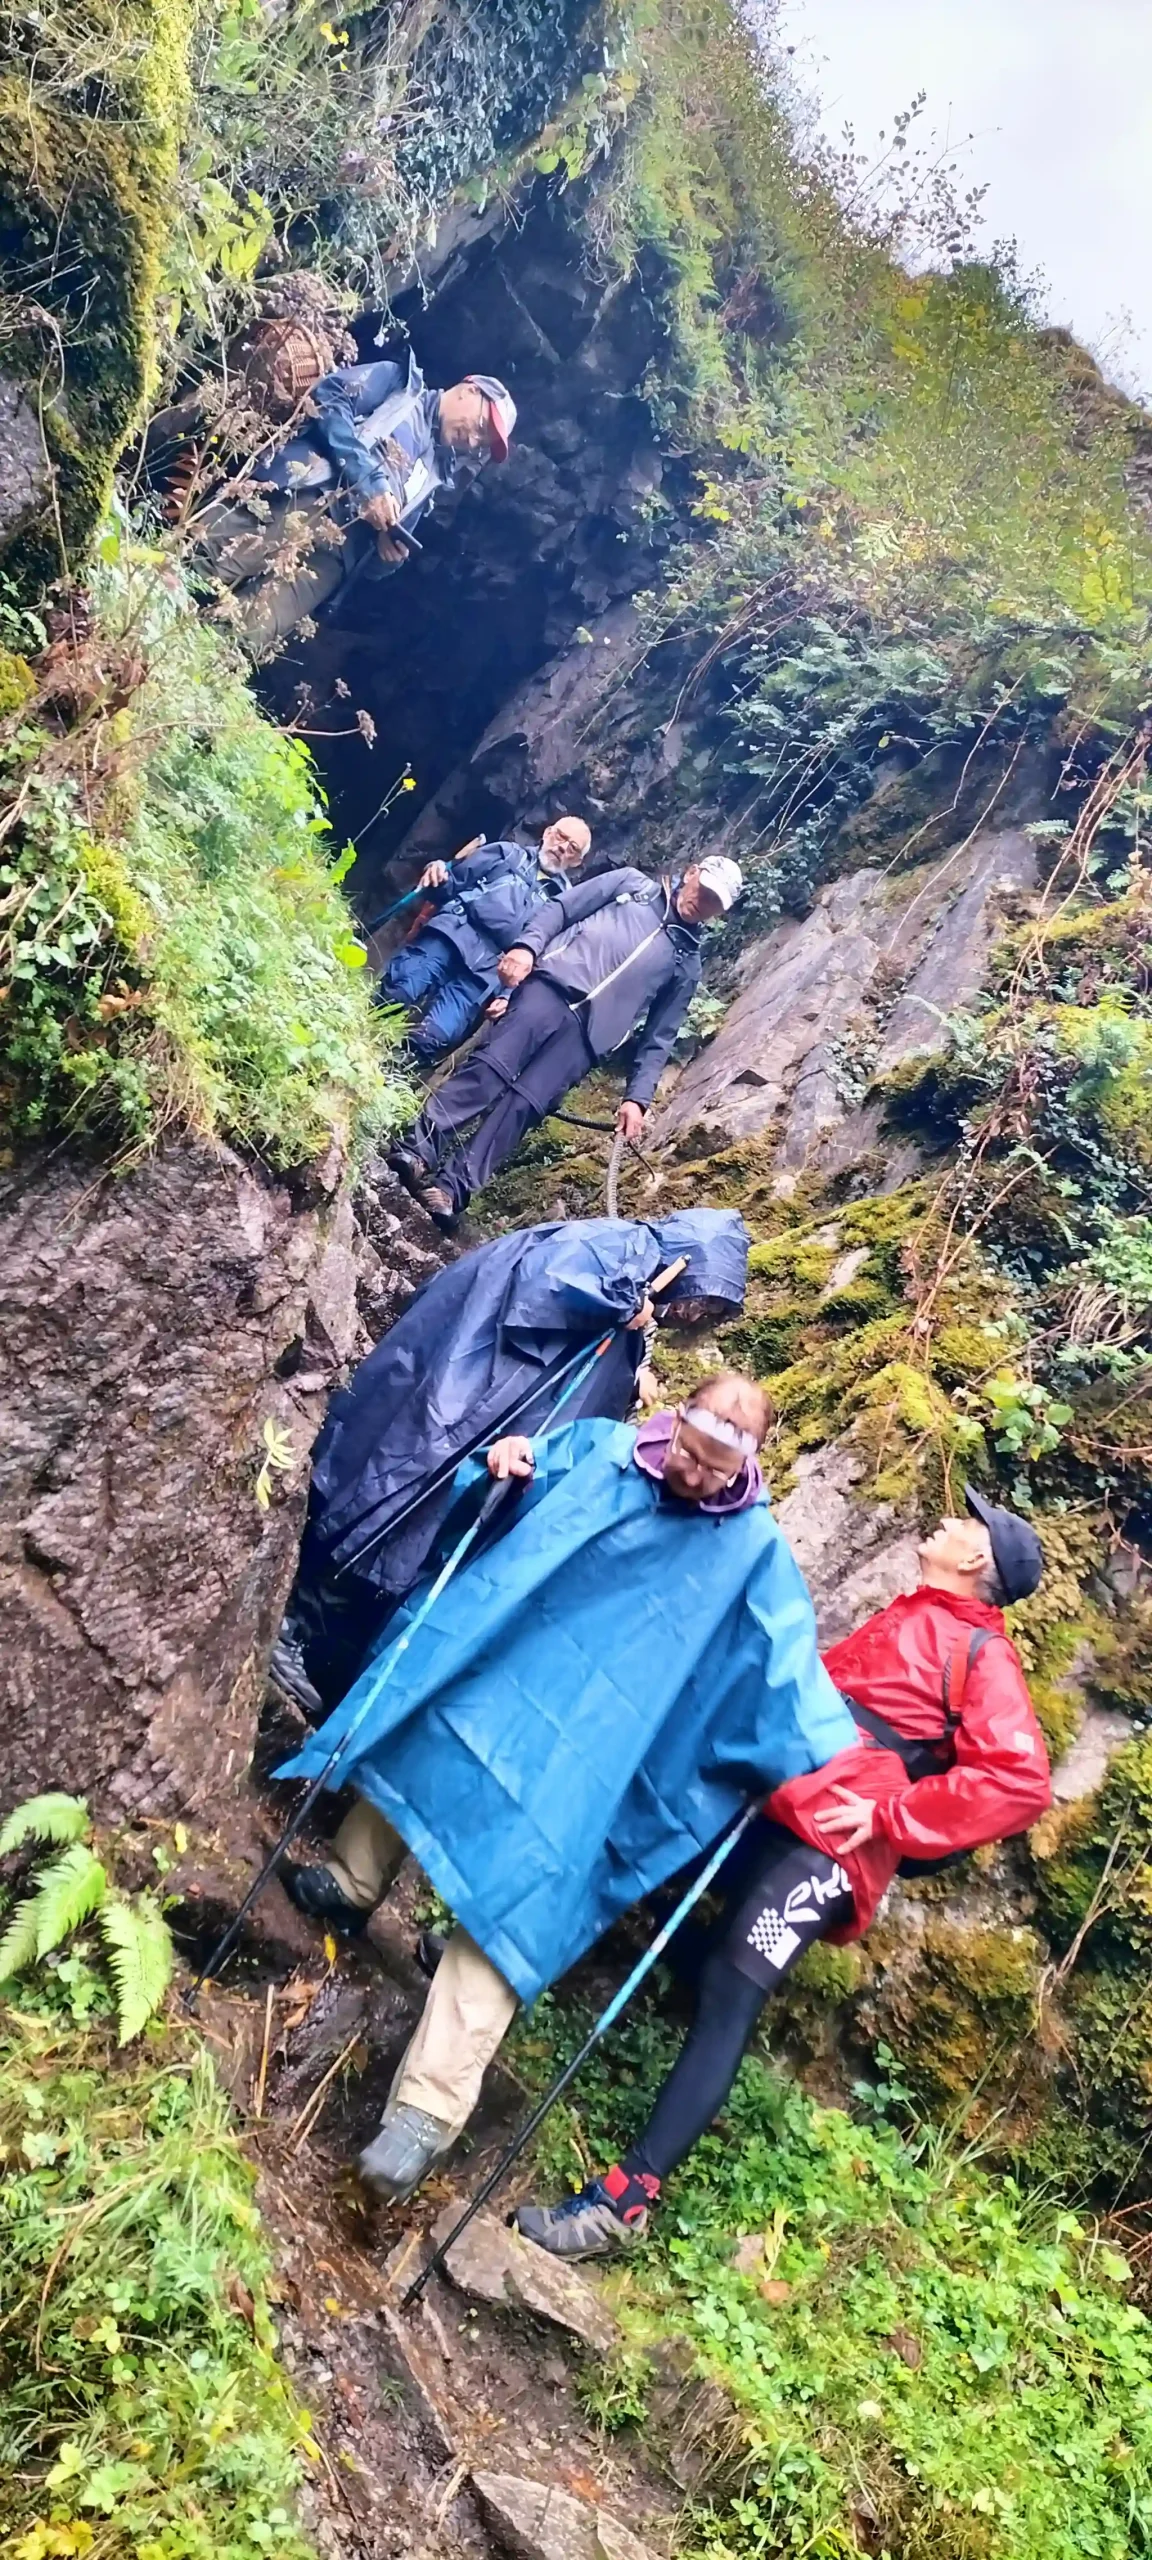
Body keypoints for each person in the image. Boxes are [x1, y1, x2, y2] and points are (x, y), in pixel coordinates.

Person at [274, 1372, 857, 2206]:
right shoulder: (605, 1450)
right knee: (432, 1734)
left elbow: (788, 1675)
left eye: (715, 1469)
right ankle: (352, 1880)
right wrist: (505, 1466)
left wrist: (827, 1760)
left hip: (600, 1748)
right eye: (689, 1453)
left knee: (524, 1894)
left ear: (751, 1463)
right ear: (676, 1420)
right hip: (515, 1665)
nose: (694, 1474)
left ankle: (424, 2116)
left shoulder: (755, 1554)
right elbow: (518, 1476)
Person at [513, 1486, 1052, 2260]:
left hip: (829, 1853)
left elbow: (1019, 1781)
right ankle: (504, 1968)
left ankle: (623, 2203)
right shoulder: (913, 1613)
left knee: (731, 1988)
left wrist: (891, 1817)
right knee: (637, 1853)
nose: (946, 1519)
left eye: (965, 1522)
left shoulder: (983, 1655)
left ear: (976, 1558)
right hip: (776, 1801)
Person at [269, 1207, 750, 1724]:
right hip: (461, 1402)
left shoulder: (633, 1287)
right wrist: (620, 1298)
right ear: (687, 1263)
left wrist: (627, 1372)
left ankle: (319, 1642)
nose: (692, 1315)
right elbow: (543, 1287)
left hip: (487, 1418)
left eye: (706, 1311)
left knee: (417, 1529)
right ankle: (290, 1624)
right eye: (700, 1300)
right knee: (394, 1506)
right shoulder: (621, 1250)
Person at [388, 854, 743, 1226]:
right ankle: (418, 1150)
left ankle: (451, 1189)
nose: (702, 903)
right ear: (691, 873)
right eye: (703, 891)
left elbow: (660, 1036)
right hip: (549, 988)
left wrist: (637, 1098)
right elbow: (561, 909)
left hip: (587, 1039)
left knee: (522, 1108)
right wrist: (527, 947)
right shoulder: (631, 885)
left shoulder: (686, 964)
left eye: (714, 903)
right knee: (488, 1069)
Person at [195, 350, 516, 650]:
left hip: (331, 562)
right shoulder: (401, 387)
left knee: (245, 635)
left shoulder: (435, 475)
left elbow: (373, 567)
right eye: (480, 427)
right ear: (469, 391)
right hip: (304, 495)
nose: (472, 440)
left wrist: (387, 558)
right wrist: (369, 481)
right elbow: (329, 397)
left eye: (481, 443)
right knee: (203, 563)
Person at [380, 818, 592, 1063]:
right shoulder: (506, 854)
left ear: (577, 862)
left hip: (489, 972)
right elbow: (450, 885)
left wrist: (507, 994)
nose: (562, 847)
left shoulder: (565, 903)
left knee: (434, 1037)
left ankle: (385, 1072)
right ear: (547, 833)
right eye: (560, 836)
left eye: (573, 848)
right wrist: (436, 870)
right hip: (452, 935)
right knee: (398, 992)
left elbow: (540, 956)